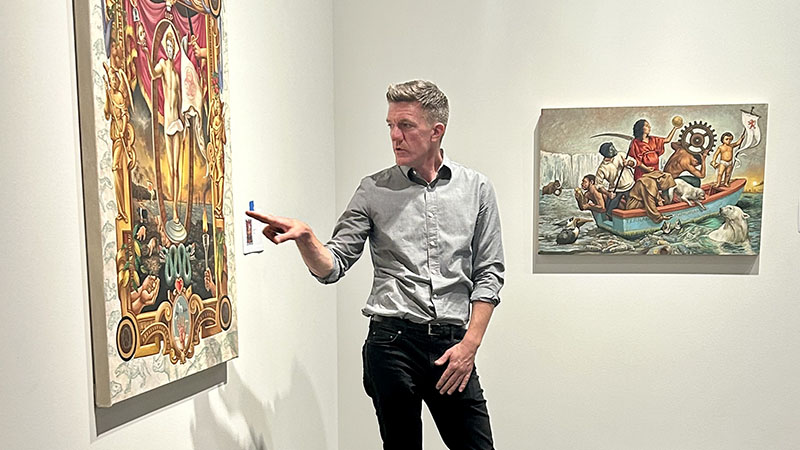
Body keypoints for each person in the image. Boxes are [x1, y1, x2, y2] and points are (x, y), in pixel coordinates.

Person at [247, 80, 504, 450]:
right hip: (392, 344)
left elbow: (489, 273)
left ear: (436, 131)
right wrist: (307, 240)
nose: (395, 136)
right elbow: (332, 267)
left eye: (406, 126)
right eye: (390, 126)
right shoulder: (373, 190)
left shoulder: (476, 189)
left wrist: (470, 345)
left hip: (452, 345)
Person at [594, 142, 636, 219]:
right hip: (616, 190)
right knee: (609, 211)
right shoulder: (602, 168)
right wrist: (608, 193)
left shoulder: (620, 155)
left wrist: (629, 163)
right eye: (611, 148)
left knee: (636, 206)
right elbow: (598, 185)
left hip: (631, 186)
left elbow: (634, 162)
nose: (614, 149)